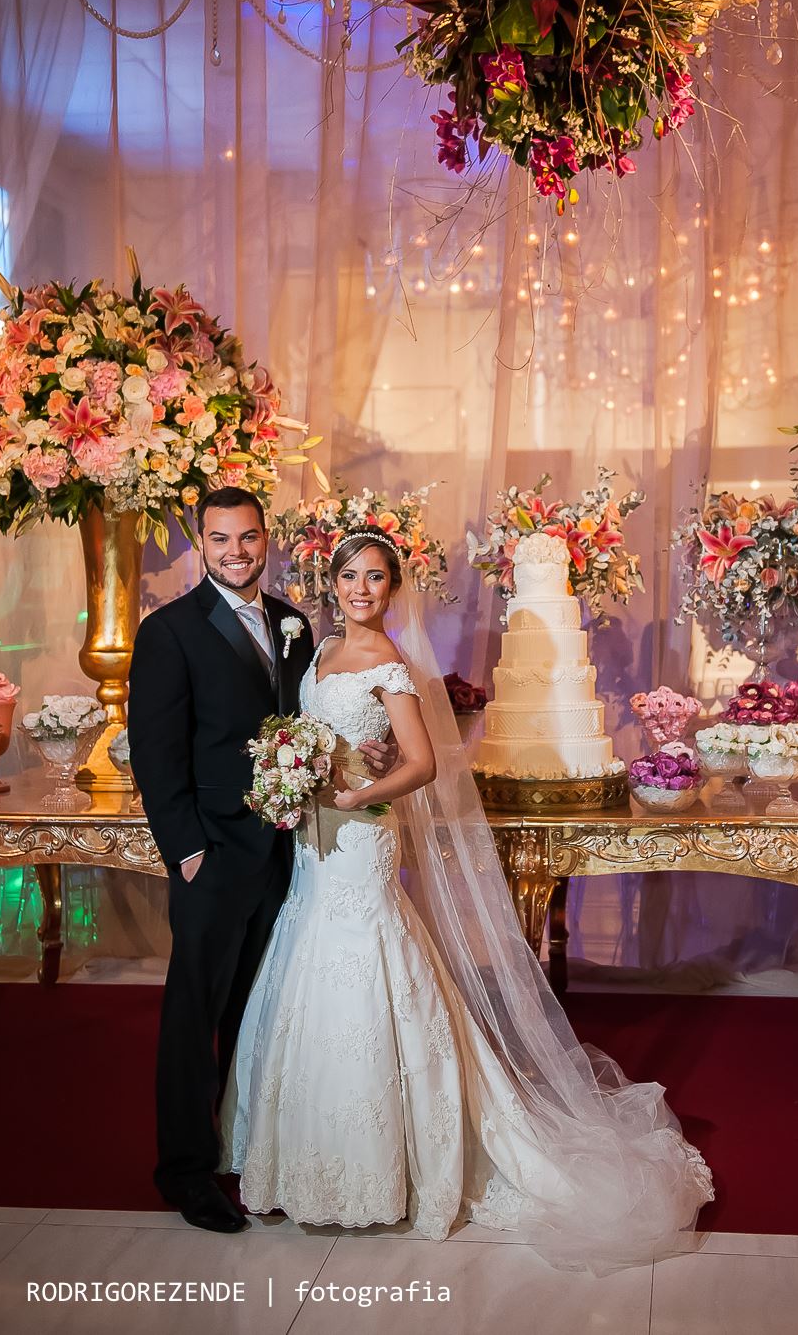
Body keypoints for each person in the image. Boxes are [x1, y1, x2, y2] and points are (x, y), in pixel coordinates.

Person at [221, 526, 713, 1270]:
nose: (362, 589)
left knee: (367, 960)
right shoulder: (316, 653)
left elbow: (420, 764)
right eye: (350, 576)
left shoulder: (389, 662)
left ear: (393, 588)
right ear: (332, 582)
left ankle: (398, 1165)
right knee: (308, 956)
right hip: (314, 838)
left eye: (377, 578)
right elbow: (318, 734)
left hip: (361, 835)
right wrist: (295, 774)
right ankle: (307, 1161)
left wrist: (360, 790)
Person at [127, 488, 396, 1234]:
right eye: (220, 540)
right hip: (211, 856)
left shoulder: (292, 621)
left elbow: (311, 721)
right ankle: (185, 1171)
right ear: (199, 544)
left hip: (287, 854)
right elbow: (157, 755)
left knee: (258, 1012)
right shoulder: (169, 632)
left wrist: (367, 748)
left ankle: (246, 1146)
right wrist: (186, 853)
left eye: (248, 538)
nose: (236, 552)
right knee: (195, 1014)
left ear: (264, 540)